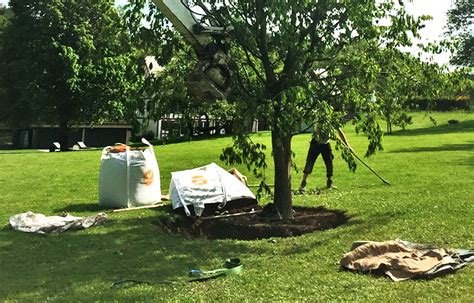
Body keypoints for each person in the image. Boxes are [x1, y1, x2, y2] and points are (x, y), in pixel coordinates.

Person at [299, 125, 352, 191]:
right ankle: (303, 184)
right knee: (310, 162)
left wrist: (348, 146)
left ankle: (329, 183)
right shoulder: (322, 118)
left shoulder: (333, 120)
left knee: (329, 163)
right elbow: (318, 131)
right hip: (316, 143)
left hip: (326, 144)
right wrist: (333, 137)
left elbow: (340, 132)